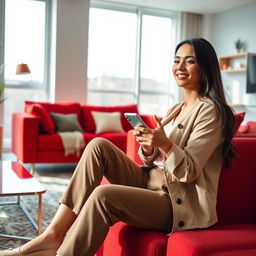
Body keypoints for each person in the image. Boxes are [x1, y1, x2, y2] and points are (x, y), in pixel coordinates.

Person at [0, 38, 237, 256]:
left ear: (205, 68)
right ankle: (53, 236)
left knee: (104, 195)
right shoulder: (176, 108)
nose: (180, 66)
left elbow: (189, 171)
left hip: (175, 202)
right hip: (150, 182)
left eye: (190, 61)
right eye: (176, 60)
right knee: (98, 145)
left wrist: (164, 142)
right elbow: (154, 160)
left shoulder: (211, 111)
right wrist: (148, 147)